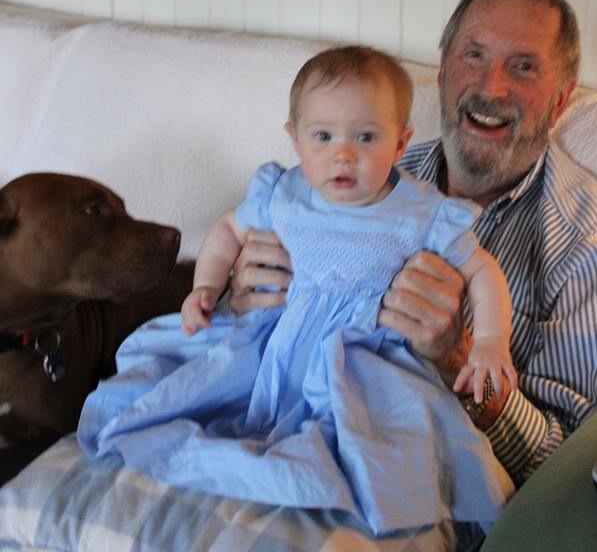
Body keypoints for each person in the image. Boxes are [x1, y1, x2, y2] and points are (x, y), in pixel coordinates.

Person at [79, 46, 516, 536]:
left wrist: (489, 341)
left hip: (362, 359)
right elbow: (228, 228)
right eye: (323, 136)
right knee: (188, 388)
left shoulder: (421, 211)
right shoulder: (284, 193)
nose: (343, 154)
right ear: (295, 139)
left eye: (366, 137)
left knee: (376, 446)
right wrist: (206, 286)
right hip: (277, 338)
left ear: (400, 144)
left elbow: (482, 271)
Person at [230, 0, 597, 488]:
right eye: (474, 55)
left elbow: (574, 472)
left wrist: (459, 362)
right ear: (443, 74)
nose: (490, 87)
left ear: (560, 101)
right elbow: (246, 324)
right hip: (286, 433)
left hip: (422, 485)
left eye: (523, 66)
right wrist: (243, 299)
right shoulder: (351, 176)